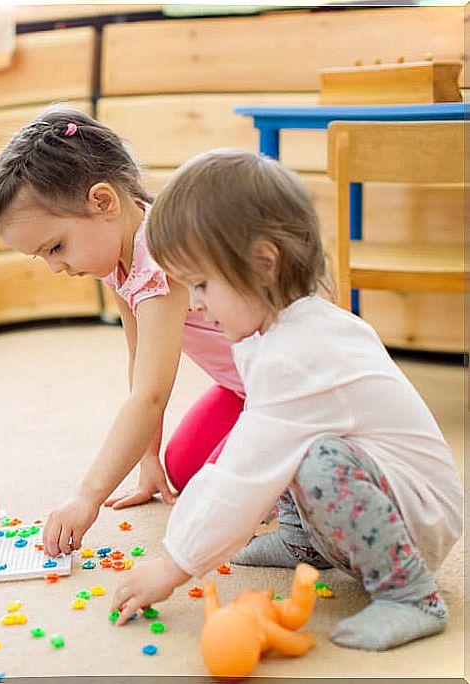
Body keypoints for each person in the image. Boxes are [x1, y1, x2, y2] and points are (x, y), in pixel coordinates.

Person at [111, 147, 463, 652]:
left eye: (202, 284)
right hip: (388, 494)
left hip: (414, 522)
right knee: (282, 436)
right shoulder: (272, 333)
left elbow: (243, 472)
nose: (195, 303)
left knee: (307, 456)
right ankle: (304, 541)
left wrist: (173, 564)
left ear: (263, 264)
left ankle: (410, 595)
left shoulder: (298, 353)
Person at [0, 106, 245, 556]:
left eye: (57, 247)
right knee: (180, 470)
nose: (56, 267)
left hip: (290, 387)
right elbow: (139, 363)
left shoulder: (163, 253)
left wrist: (89, 497)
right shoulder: (117, 257)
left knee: (220, 499)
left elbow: (151, 396)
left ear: (103, 202)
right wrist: (147, 458)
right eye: (42, 257)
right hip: (242, 387)